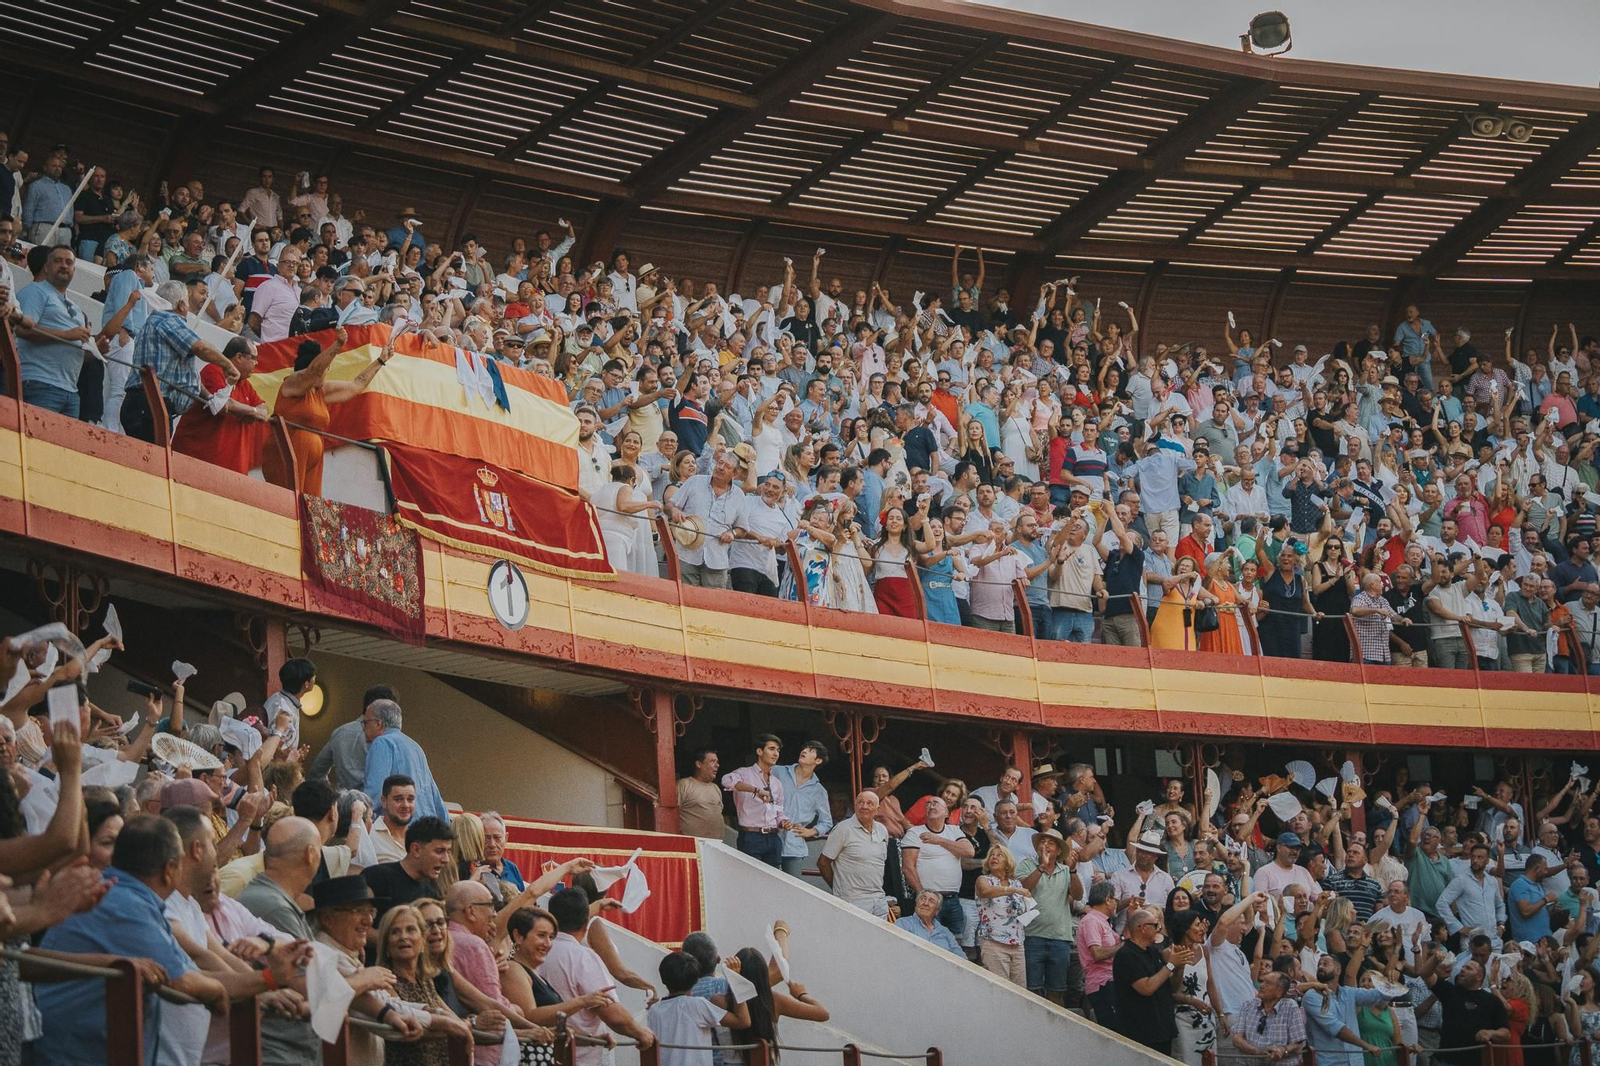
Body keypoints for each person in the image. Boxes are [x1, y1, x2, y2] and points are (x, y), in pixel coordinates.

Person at [35, 815, 233, 1065]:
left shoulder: (136, 898)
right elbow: (181, 980)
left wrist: (264, 982)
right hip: (72, 1054)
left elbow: (191, 970)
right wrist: (218, 990)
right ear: (170, 869)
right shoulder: (125, 902)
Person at [260, 328, 391, 497]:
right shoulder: (293, 383)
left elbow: (355, 386)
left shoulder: (320, 390)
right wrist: (338, 345)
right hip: (288, 452)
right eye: (326, 368)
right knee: (288, 499)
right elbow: (314, 371)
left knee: (309, 505)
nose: (326, 373)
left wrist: (380, 360)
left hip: (313, 458)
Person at [539, 886, 656, 1063]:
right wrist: (641, 1034)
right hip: (579, 1056)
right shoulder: (583, 957)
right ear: (586, 923)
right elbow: (614, 1015)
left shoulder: (537, 952)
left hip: (542, 1053)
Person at [647, 950, 751, 1066]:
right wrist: (735, 979)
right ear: (696, 980)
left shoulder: (654, 1010)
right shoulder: (698, 1005)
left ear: (663, 979)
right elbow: (743, 1021)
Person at [1018, 827, 1083, 1006]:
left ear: (1059, 850)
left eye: (1050, 843)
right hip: (1032, 936)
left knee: (1057, 991)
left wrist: (1073, 871)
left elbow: (1077, 895)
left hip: (1060, 938)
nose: (1045, 845)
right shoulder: (1027, 864)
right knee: (1031, 990)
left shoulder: (1065, 870)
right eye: (1042, 841)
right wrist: (1041, 867)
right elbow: (1025, 888)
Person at [1113, 905, 1188, 1055]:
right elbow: (1146, 988)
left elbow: (1170, 987)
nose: (1159, 929)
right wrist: (1171, 964)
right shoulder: (1126, 955)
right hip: (1142, 1033)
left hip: (1162, 1030)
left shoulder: (1152, 951)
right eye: (1155, 925)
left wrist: (1179, 967)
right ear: (1143, 928)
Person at [361, 699, 449, 824]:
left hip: (399, 830)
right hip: (427, 828)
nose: (363, 729)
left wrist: (354, 817)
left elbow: (374, 792)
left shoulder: (382, 743)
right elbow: (433, 793)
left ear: (378, 724)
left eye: (365, 723)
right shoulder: (415, 747)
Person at [1302, 953, 1395, 1066]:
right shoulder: (1311, 996)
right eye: (1319, 964)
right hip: (1328, 1063)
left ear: (1338, 970)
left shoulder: (1349, 992)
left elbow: (1380, 996)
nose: (1321, 967)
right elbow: (1335, 1027)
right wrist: (1366, 1045)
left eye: (1326, 964)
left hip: (1356, 1062)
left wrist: (1390, 982)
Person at [900, 795, 973, 936]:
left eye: (936, 803)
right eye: (928, 805)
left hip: (953, 900)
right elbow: (908, 867)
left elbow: (969, 851)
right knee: (929, 941)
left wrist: (938, 840)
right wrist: (922, 894)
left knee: (955, 941)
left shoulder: (954, 831)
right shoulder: (914, 832)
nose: (931, 806)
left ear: (946, 812)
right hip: (929, 900)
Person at [1421, 953, 1509, 1066]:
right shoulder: (1450, 992)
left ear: (1479, 976)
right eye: (1463, 967)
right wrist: (1434, 959)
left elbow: (1505, 1033)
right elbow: (1425, 974)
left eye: (1468, 968)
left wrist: (1491, 1033)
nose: (1462, 969)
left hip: (1476, 1061)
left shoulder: (1491, 1000)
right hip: (1447, 1060)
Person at [362, 815, 454, 920]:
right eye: (439, 851)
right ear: (416, 850)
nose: (446, 859)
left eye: (448, 852)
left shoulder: (430, 892)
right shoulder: (377, 877)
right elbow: (358, 923)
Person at [818, 790, 890, 916]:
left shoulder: (882, 830)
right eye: (860, 802)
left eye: (869, 803)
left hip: (878, 899)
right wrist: (838, 889)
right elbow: (823, 863)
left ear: (877, 810)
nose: (864, 806)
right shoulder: (843, 828)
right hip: (852, 900)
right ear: (855, 805)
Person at [720, 734, 788, 867]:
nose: (776, 754)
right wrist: (755, 790)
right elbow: (726, 781)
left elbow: (779, 812)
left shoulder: (777, 783)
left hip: (773, 836)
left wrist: (784, 822)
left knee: (773, 881)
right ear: (759, 751)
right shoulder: (744, 773)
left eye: (778, 750)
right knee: (750, 879)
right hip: (751, 836)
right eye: (772, 749)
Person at [772, 740, 833, 878]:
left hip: (795, 844)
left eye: (811, 750)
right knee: (768, 884)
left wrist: (812, 831)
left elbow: (827, 822)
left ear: (818, 761)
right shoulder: (778, 771)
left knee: (792, 889)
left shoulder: (819, 791)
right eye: (804, 748)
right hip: (770, 838)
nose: (804, 751)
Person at [975, 844, 1031, 985]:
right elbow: (985, 892)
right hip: (993, 942)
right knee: (1001, 989)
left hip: (1017, 943)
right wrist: (1012, 890)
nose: (994, 857)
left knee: (1020, 991)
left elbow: (1022, 910)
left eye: (999, 855)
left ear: (1008, 862)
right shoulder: (984, 880)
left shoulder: (1017, 883)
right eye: (992, 855)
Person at [1230, 973, 1308, 1066]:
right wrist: (1258, 1052)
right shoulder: (1248, 1005)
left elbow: (1298, 1045)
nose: (1261, 985)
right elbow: (1237, 1039)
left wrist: (1283, 1050)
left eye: (1267, 984)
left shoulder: (1290, 1007)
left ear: (1279, 992)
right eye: (1262, 982)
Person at [1077, 880, 1122, 1030]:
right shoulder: (1091, 921)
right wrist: (1123, 946)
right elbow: (1097, 953)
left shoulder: (1104, 922)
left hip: (1111, 981)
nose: (1117, 903)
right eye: (1116, 899)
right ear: (1108, 900)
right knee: (1113, 1030)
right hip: (1102, 984)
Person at [895, 889, 964, 956]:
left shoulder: (945, 932)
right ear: (916, 904)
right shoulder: (903, 924)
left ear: (937, 911)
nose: (926, 903)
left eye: (931, 901)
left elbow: (961, 958)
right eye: (922, 899)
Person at [676, 747, 726, 840]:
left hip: (716, 846)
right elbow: (672, 815)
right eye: (712, 761)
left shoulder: (715, 788)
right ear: (699, 764)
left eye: (717, 762)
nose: (717, 765)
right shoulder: (684, 785)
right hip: (693, 847)